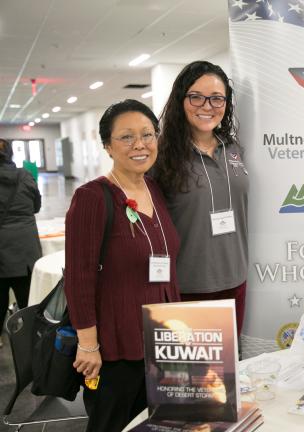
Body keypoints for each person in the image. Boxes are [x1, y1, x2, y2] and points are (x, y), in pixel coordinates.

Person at [65, 100, 180, 432]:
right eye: (126, 137)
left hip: (162, 340)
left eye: (147, 134)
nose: (140, 144)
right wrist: (88, 345)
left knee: (157, 425)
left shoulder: (154, 188)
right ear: (107, 146)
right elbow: (78, 279)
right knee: (113, 424)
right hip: (118, 347)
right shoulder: (92, 197)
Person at [153, 61, 248, 335]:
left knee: (229, 371)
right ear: (181, 100)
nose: (207, 106)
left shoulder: (233, 148)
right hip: (187, 286)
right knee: (195, 376)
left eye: (217, 98)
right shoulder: (162, 156)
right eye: (196, 97)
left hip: (235, 280)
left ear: (227, 104)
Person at [0, 138, 42, 348]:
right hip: (25, 249)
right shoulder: (25, 176)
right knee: (28, 299)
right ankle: (30, 339)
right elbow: (36, 206)